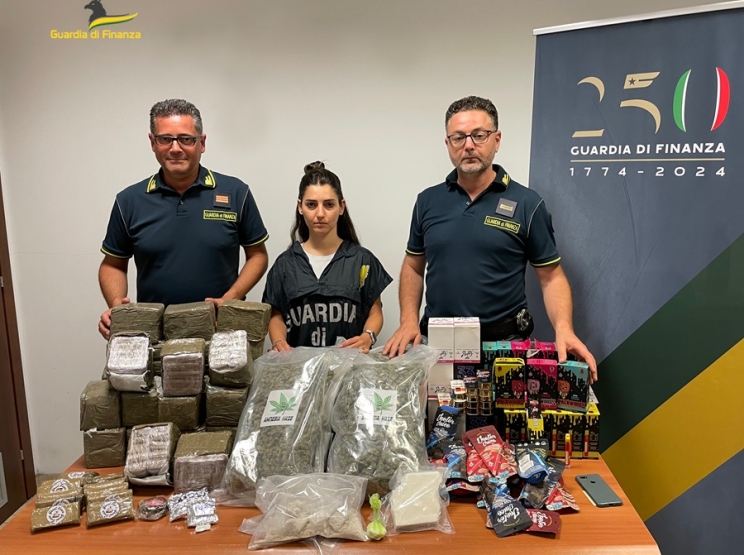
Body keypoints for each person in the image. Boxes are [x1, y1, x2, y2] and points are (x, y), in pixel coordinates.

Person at [382, 96, 597, 382]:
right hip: (437, 346)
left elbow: (551, 277)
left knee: (504, 413)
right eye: (459, 137)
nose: (469, 145)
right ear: (448, 144)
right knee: (437, 412)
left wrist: (564, 328)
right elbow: (413, 266)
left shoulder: (527, 204)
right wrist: (408, 320)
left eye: (479, 135)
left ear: (496, 140)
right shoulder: (427, 201)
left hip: (505, 348)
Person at [98, 99, 269, 339]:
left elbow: (258, 255)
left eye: (186, 139)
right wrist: (117, 306)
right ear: (153, 143)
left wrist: (230, 299)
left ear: (202, 143)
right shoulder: (129, 201)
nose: (175, 148)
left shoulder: (236, 193)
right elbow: (113, 264)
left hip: (221, 331)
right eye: (165, 139)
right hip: (154, 335)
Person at [262, 162, 392, 353]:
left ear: (341, 207)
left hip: (349, 367)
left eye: (329, 205)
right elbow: (276, 315)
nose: (320, 214)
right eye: (311, 205)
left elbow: (375, 311)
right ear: (300, 207)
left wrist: (368, 336)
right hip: (300, 368)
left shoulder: (362, 261)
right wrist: (278, 342)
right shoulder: (285, 265)